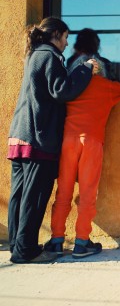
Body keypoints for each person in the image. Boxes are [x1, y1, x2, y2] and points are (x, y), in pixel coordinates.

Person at [7, 17, 96, 264]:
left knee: (20, 194)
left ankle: (17, 245)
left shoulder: (34, 54)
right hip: (39, 136)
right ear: (55, 34)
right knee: (34, 198)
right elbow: (62, 90)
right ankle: (26, 251)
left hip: (20, 135)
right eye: (66, 37)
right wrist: (85, 68)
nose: (67, 44)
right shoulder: (50, 56)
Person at [43, 49, 120, 259]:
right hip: (91, 143)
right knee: (87, 194)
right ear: (99, 71)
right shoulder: (106, 87)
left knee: (63, 192)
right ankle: (81, 243)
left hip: (68, 142)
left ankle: (57, 240)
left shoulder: (72, 88)